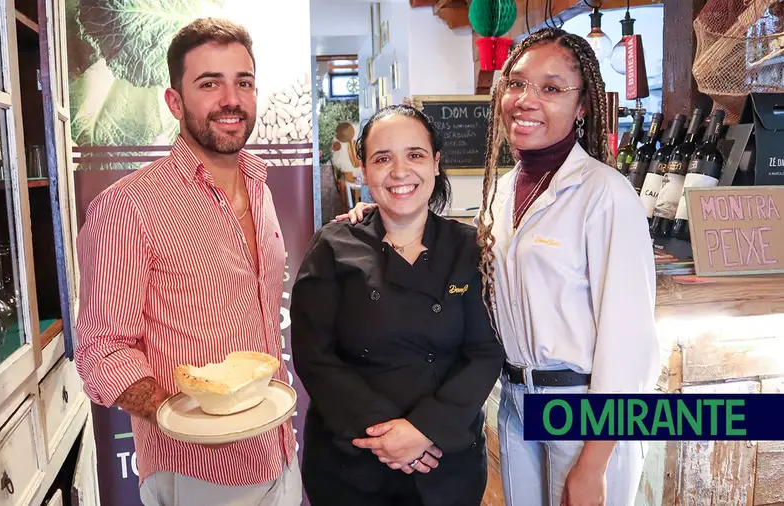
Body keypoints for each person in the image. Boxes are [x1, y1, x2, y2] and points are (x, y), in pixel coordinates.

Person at [338, 28, 660, 506]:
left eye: (551, 88)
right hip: (514, 402)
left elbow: (629, 344)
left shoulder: (606, 194)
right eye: (516, 84)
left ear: (584, 104)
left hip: (581, 411)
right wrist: (380, 218)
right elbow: (466, 251)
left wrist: (593, 464)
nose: (526, 100)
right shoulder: (504, 191)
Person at [74, 18, 301, 506]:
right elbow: (101, 354)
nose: (230, 99)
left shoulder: (259, 186)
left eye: (243, 82)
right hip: (199, 473)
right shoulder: (130, 206)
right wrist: (188, 417)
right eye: (209, 84)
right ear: (174, 102)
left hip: (280, 450)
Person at [291, 104, 505, 506]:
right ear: (365, 169)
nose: (400, 171)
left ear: (436, 163)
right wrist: (387, 436)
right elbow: (314, 355)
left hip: (444, 461)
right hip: (352, 463)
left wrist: (424, 431)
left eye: (415, 155)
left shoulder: (469, 247)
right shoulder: (333, 246)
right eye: (382, 158)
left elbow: (485, 351)